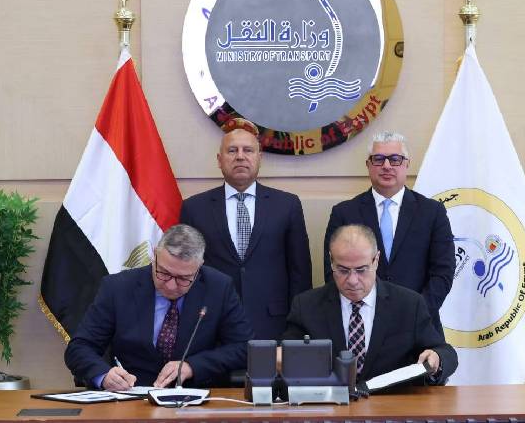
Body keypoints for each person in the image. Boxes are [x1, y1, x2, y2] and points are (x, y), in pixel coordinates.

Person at [64, 224, 253, 390]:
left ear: (199, 267)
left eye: (183, 278)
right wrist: (104, 375)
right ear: (154, 255)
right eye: (164, 273)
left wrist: (193, 366)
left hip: (195, 398)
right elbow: (79, 348)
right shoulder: (118, 288)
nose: (170, 285)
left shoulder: (218, 287)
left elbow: (244, 348)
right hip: (131, 396)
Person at [180, 118, 312, 341]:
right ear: (219, 160)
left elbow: (300, 272)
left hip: (274, 324)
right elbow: (185, 271)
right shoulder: (194, 208)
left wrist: (297, 326)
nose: (240, 156)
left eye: (248, 150)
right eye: (232, 150)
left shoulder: (287, 205)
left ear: (259, 158)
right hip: (213, 325)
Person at [284, 224, 457, 385]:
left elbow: (446, 353)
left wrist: (436, 358)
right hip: (330, 404)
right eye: (343, 270)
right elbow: (285, 360)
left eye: (361, 270)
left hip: (391, 404)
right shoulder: (306, 306)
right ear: (331, 260)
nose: (352, 280)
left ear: (376, 260)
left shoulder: (409, 305)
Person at [323, 131, 455, 333]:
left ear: (406, 164)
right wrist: (364, 312)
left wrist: (415, 315)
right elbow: (333, 271)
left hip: (419, 326)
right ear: (368, 165)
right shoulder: (344, 213)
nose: (386, 166)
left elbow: (443, 273)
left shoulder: (432, 212)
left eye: (395, 159)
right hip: (361, 326)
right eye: (378, 159)